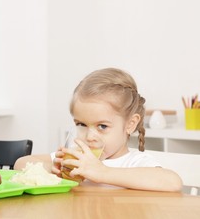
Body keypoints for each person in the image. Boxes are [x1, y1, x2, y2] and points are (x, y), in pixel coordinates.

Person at [14, 68, 183, 192]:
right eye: (81, 124)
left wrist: (102, 172)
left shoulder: (133, 162)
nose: (89, 137)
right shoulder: (78, 158)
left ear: (130, 124)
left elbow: (172, 182)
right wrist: (52, 169)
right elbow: (21, 163)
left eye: (102, 126)